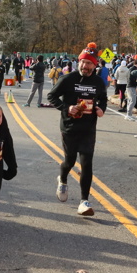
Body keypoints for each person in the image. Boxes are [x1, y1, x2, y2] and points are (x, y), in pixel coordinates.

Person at [47, 42, 108, 216]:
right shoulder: (68, 79)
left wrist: (101, 108)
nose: (85, 66)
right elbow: (51, 96)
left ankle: (84, 202)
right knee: (70, 161)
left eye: (89, 63)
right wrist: (67, 108)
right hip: (70, 127)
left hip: (88, 128)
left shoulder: (98, 82)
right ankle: (63, 178)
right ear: (78, 62)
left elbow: (103, 99)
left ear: (94, 65)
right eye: (83, 62)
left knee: (87, 163)